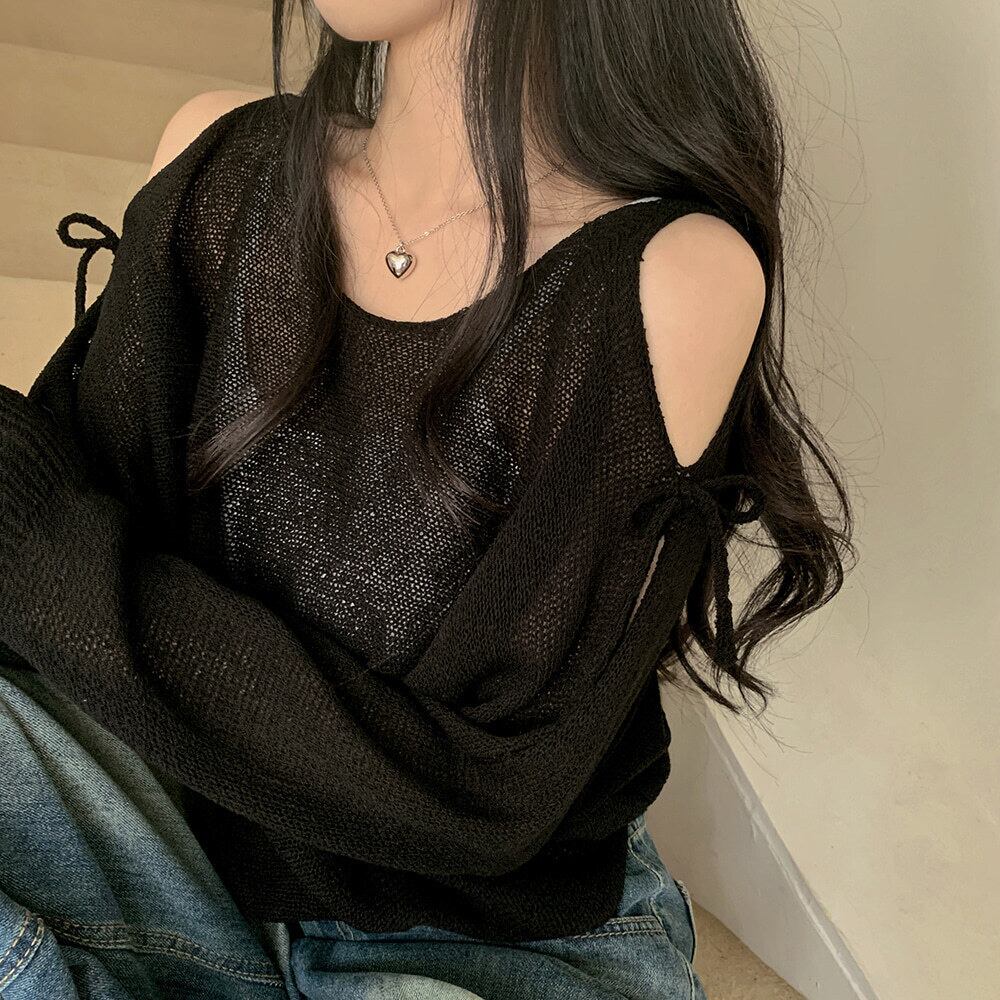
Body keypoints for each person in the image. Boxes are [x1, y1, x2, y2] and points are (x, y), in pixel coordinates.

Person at [0, 1, 854, 998]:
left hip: (474, 931)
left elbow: (476, 799)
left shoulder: (664, 281)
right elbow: (59, 613)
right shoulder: (218, 161)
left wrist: (35, 543)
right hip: (166, 840)